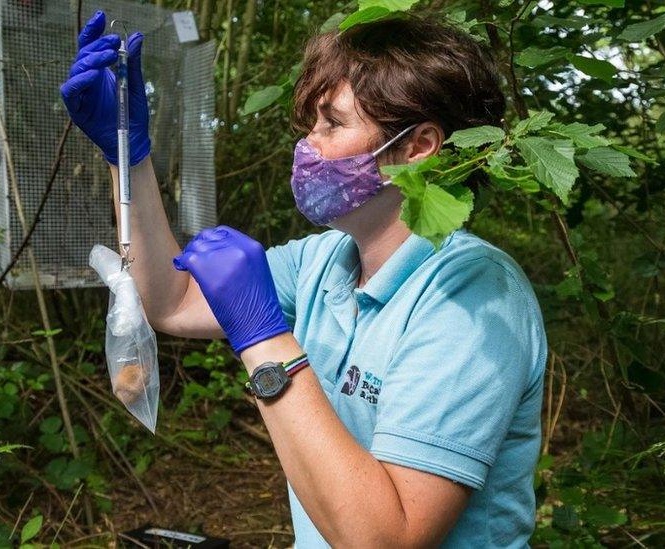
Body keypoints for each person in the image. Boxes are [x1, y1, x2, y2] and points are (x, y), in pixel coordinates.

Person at [61, 9, 547, 548]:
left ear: (417, 147)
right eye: (312, 124)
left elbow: (384, 540)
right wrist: (127, 154)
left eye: (332, 123)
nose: (307, 145)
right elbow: (171, 302)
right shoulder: (325, 260)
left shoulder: (475, 297)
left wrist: (262, 336)